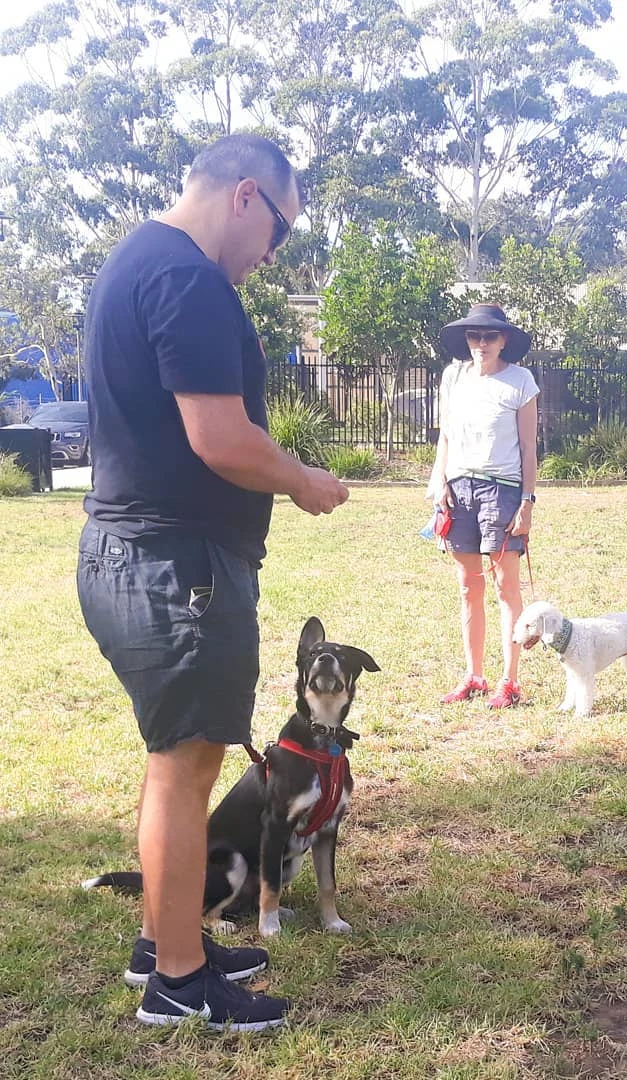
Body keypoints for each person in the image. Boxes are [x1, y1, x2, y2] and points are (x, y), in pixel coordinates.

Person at [76, 134, 349, 1030]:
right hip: (177, 568)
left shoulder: (136, 261)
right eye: (279, 229)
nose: (273, 254)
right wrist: (304, 480)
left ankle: (164, 946)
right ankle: (180, 985)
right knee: (187, 766)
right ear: (244, 196)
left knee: (174, 768)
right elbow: (221, 440)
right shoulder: (189, 279)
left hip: (137, 556)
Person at [428, 303, 539, 709]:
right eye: (474, 336)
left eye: (490, 336)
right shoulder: (453, 376)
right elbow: (445, 437)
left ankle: (509, 681)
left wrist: (527, 502)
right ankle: (474, 675)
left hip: (502, 490)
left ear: (504, 340)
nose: (481, 343)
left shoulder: (520, 381)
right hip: (459, 490)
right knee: (467, 586)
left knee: (505, 585)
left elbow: (529, 448)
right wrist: (439, 482)